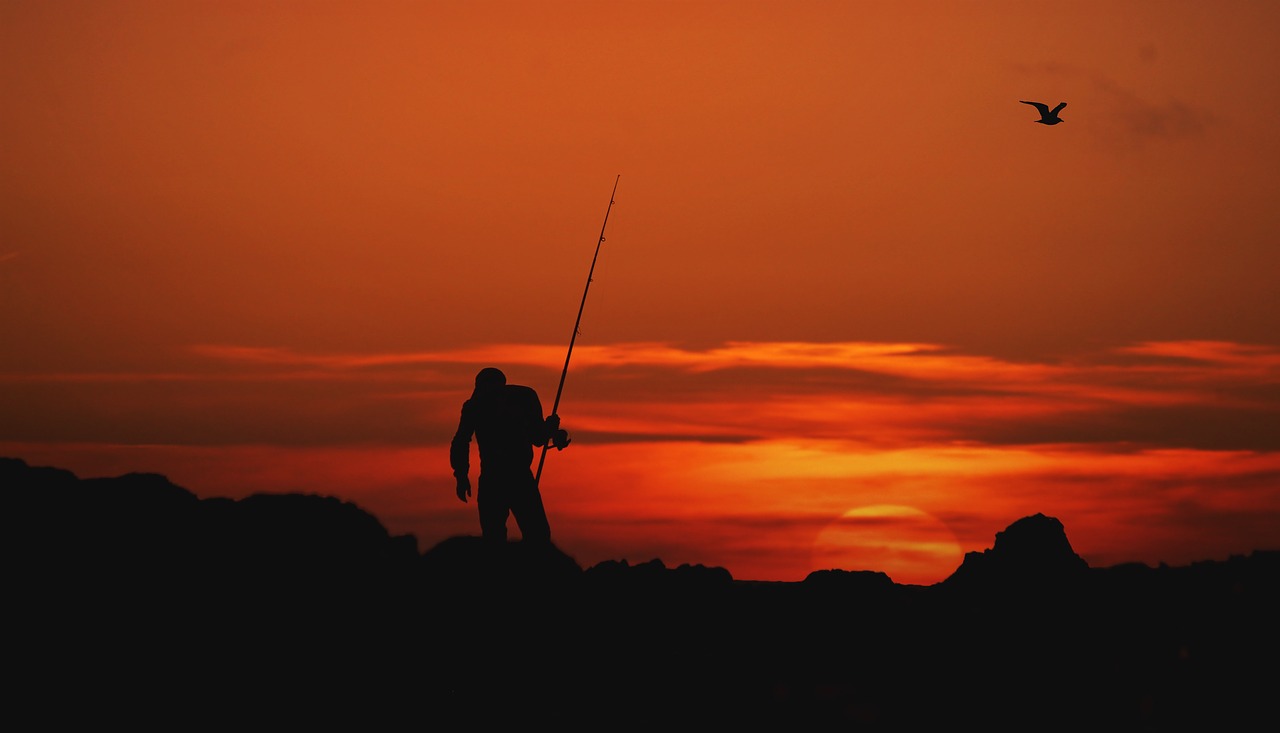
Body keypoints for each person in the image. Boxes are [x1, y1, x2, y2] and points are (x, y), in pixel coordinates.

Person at [450, 367, 570, 545]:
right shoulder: (524, 397)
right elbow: (538, 437)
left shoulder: (475, 405)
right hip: (519, 479)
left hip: (494, 480)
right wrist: (550, 429)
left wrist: (461, 476)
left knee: (495, 538)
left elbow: (461, 441)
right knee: (537, 535)